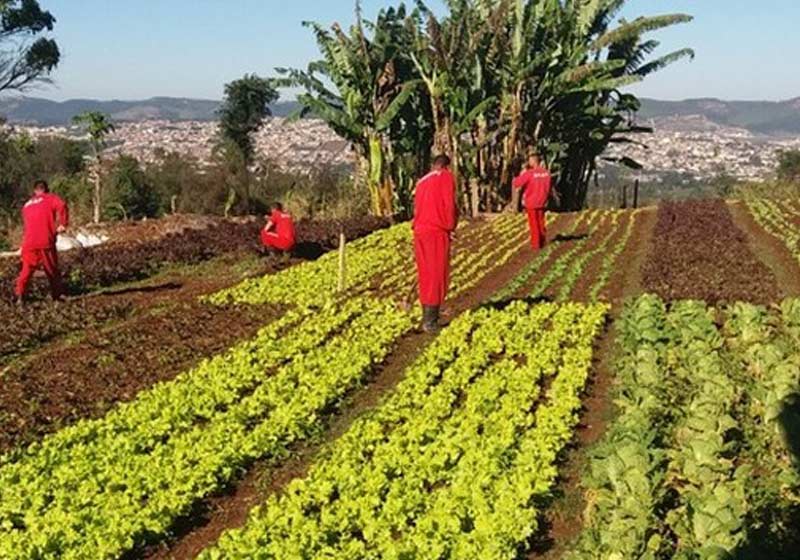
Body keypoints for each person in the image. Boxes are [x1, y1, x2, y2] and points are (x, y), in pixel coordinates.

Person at [413, 154, 458, 333]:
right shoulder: (446, 177)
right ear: (446, 166)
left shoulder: (422, 181)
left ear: (433, 165)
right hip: (436, 230)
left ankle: (427, 315)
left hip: (420, 231)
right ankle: (430, 321)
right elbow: (449, 204)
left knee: (425, 272)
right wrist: (451, 226)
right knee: (437, 273)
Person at [14, 180, 69, 304]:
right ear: (46, 189)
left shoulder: (26, 205)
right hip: (45, 240)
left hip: (28, 243)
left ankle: (20, 296)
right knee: (51, 269)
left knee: (26, 270)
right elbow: (62, 205)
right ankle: (56, 295)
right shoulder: (50, 198)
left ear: (35, 191)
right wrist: (63, 224)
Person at [513, 152, 552, 250]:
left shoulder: (529, 173)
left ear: (533, 161)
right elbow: (549, 187)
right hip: (542, 200)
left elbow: (517, 183)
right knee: (541, 221)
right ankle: (542, 241)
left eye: (530, 160)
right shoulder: (546, 173)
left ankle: (536, 244)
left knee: (533, 223)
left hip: (531, 201)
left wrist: (522, 172)